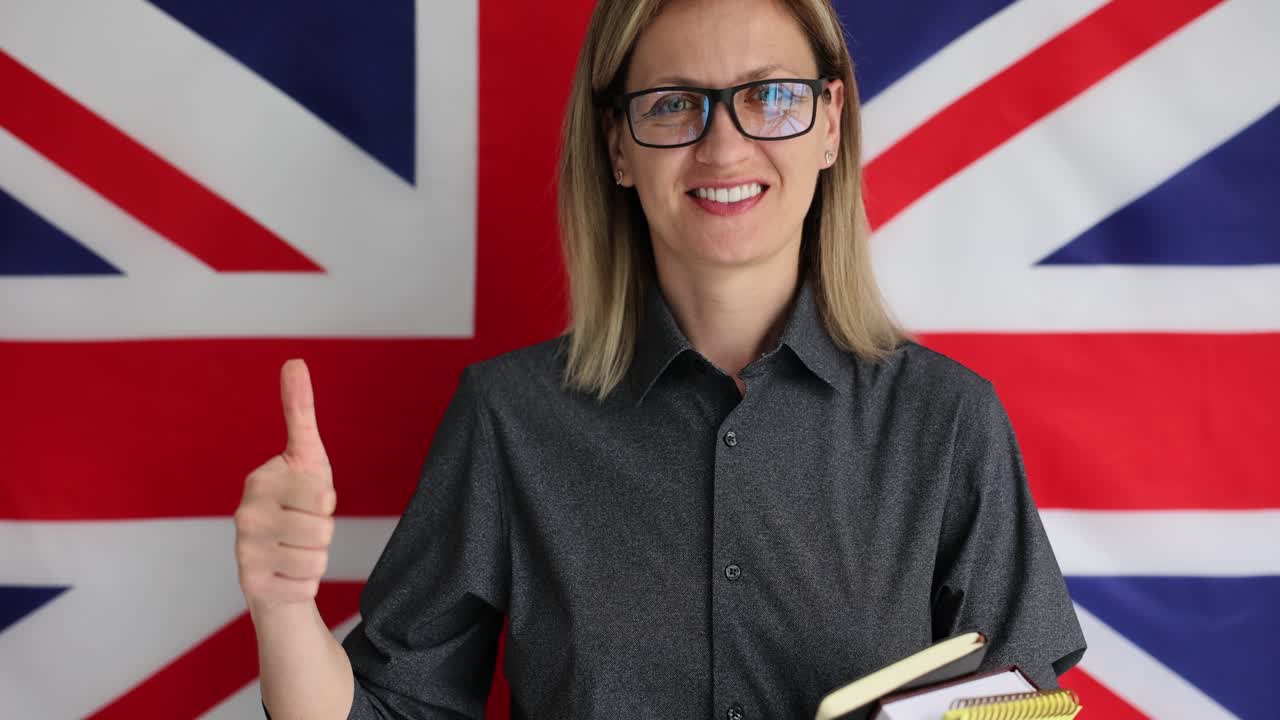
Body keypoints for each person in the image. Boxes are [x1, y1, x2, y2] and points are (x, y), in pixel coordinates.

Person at [234, 0, 1087, 718]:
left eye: (772, 96)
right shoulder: (510, 418)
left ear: (829, 124)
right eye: (675, 105)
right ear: (616, 146)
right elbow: (396, 708)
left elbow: (1020, 703)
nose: (723, 148)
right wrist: (282, 611)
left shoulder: (946, 422)